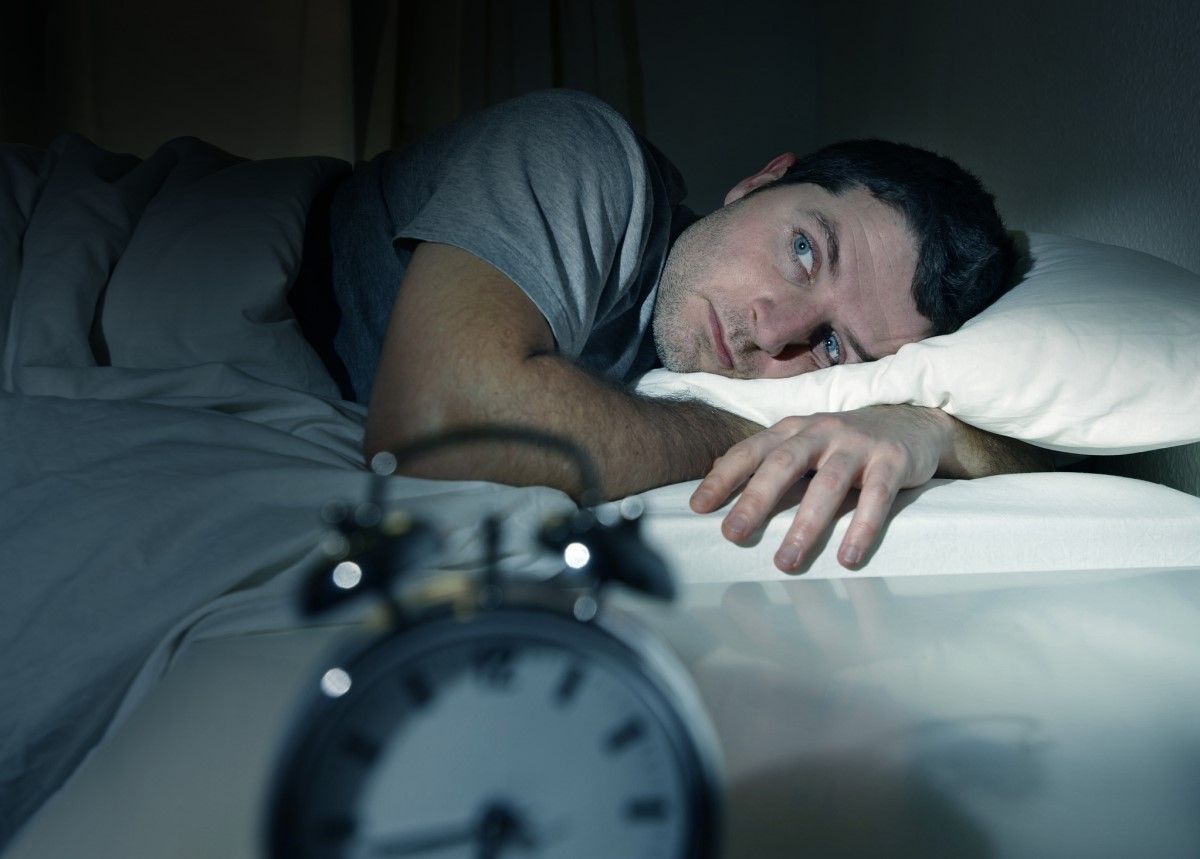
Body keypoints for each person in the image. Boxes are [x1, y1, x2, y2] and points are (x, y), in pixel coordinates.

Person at [330, 89, 1050, 572]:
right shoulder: (579, 151)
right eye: (803, 250)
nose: (774, 332)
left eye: (832, 347)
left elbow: (1055, 447)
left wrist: (929, 430)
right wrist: (753, 426)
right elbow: (432, 422)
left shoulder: (770, 362)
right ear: (763, 181)